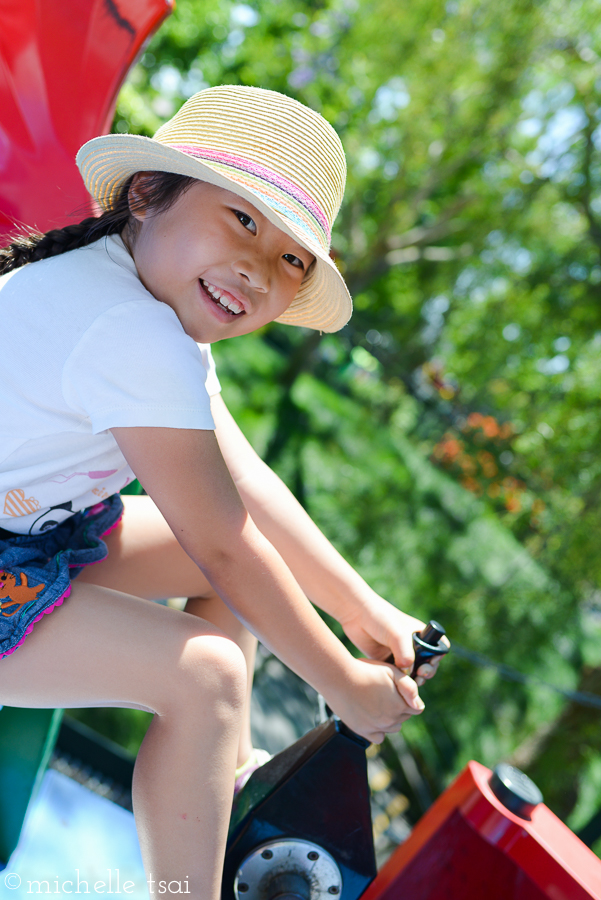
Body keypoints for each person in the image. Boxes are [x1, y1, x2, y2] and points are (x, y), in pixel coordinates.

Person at [0, 85, 445, 896]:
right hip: (14, 554)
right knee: (206, 674)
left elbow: (246, 485)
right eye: (242, 218)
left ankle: (210, 773)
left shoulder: (142, 306)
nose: (256, 265)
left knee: (224, 625)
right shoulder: (128, 331)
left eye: (290, 260)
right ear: (146, 193)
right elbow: (221, 539)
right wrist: (340, 685)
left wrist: (362, 610)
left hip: (26, 541)